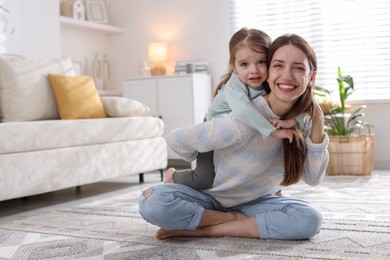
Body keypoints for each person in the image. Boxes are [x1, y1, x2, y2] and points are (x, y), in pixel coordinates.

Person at [139, 34, 328, 240]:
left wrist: (318, 117)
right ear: (269, 70)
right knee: (153, 203)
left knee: (309, 219)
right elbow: (176, 140)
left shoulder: (305, 121)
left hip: (257, 202)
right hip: (208, 197)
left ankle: (210, 228)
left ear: (312, 76)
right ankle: (234, 220)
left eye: (298, 68)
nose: (287, 75)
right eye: (278, 65)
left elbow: (313, 178)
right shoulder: (243, 116)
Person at [164, 28, 303, 190]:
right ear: (234, 67)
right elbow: (243, 111)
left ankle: (270, 190)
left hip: (243, 133)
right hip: (214, 131)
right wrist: (272, 131)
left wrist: (294, 121)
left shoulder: (271, 84)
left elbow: (298, 106)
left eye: (261, 62)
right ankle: (173, 176)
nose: (254, 70)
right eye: (244, 64)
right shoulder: (235, 84)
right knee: (204, 179)